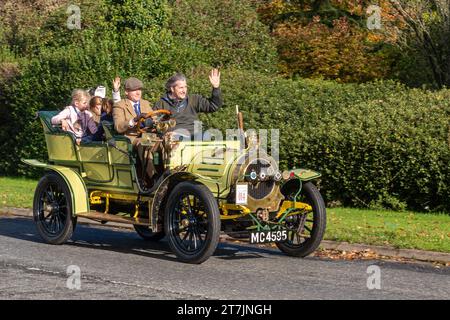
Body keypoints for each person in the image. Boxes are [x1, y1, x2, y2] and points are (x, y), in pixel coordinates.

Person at [153, 68, 222, 138]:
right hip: (173, 140)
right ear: (172, 89)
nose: (184, 90)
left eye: (185, 87)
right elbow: (153, 123)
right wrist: (165, 133)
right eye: (181, 88)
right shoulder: (161, 103)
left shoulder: (194, 99)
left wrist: (216, 88)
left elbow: (214, 106)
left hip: (194, 137)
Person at [112, 77, 155, 187]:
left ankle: (170, 173)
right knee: (145, 143)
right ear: (126, 92)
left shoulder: (145, 103)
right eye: (134, 90)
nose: (138, 92)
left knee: (168, 141)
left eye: (139, 89)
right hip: (131, 138)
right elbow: (118, 126)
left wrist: (157, 122)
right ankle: (154, 179)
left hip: (149, 135)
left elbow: (154, 119)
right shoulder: (120, 105)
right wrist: (134, 120)